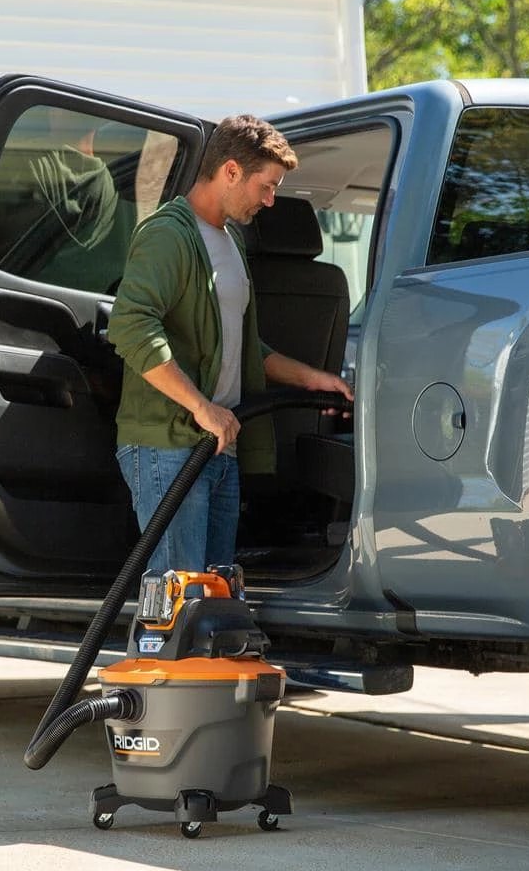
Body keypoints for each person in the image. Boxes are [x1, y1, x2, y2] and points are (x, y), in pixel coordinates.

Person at [108, 114, 354, 574]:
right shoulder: (167, 235)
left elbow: (238, 346)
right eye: (267, 186)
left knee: (212, 598)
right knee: (178, 597)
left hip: (218, 446)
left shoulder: (230, 242)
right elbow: (130, 326)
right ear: (232, 171)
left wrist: (311, 379)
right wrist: (201, 407)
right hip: (168, 446)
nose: (270, 200)